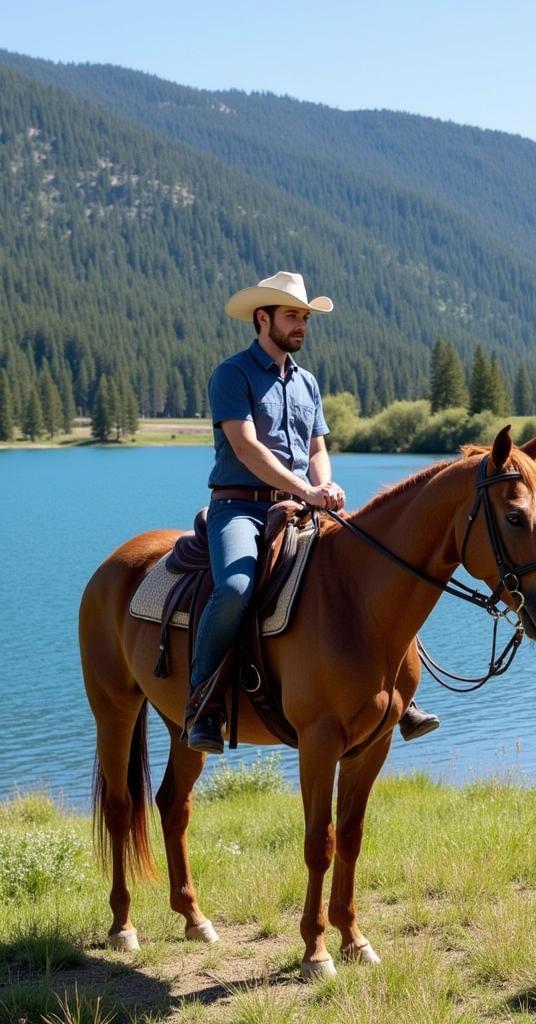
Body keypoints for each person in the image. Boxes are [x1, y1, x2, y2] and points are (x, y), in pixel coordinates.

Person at [185, 271, 439, 753]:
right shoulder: (232, 374)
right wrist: (305, 487)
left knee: (375, 568)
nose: (302, 325)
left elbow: (318, 445)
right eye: (292, 316)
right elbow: (245, 447)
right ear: (263, 319)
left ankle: (399, 697)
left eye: (305, 317)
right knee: (236, 587)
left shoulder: (307, 383)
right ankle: (204, 700)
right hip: (239, 508)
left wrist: (322, 482)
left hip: (301, 505)